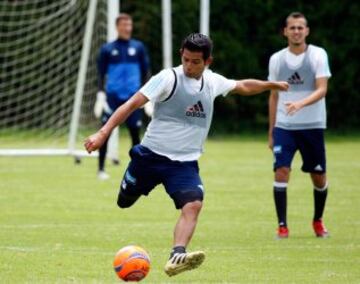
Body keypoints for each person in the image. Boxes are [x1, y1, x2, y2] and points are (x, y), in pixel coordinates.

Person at [85, 33, 288, 276]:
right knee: (124, 202)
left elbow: (242, 86)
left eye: (195, 62)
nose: (189, 66)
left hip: (184, 164)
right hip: (149, 157)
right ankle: (130, 185)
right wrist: (103, 133)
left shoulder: (212, 82)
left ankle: (177, 255)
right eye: (186, 59)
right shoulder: (167, 78)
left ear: (208, 62)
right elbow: (131, 104)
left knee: (193, 204)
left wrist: (271, 85)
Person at [268, 12, 331, 239]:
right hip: (285, 127)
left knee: (318, 177)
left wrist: (300, 103)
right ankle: (282, 226)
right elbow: (274, 96)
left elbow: (322, 88)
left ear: (307, 31)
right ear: (285, 31)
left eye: (300, 27)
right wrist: (271, 130)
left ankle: (317, 221)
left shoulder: (317, 55)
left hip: (312, 126)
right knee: (281, 171)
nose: (296, 31)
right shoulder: (276, 59)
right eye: (292, 27)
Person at [94, 13, 151, 180]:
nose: (127, 28)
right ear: (117, 27)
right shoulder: (107, 49)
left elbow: (146, 72)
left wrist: (148, 97)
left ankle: (137, 172)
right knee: (105, 132)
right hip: (112, 98)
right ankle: (101, 169)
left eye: (129, 25)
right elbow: (100, 75)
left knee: (135, 135)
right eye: (124, 25)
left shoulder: (139, 48)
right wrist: (100, 95)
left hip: (133, 99)